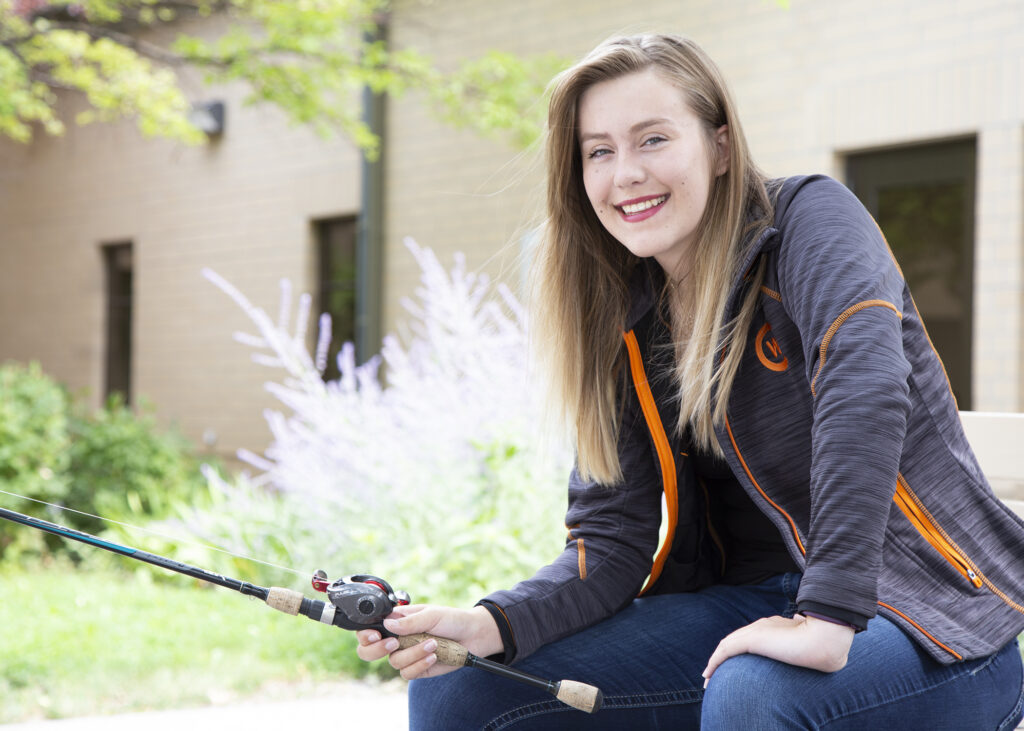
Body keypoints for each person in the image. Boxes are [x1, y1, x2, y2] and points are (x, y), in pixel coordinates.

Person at [356, 33, 1024, 729]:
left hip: (931, 616)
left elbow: (867, 387)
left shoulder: (809, 220)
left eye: (653, 139)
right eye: (600, 151)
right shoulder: (620, 310)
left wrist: (826, 614)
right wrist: (490, 622)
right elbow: (610, 542)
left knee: (753, 691)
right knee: (461, 689)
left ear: (721, 145)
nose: (626, 174)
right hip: (748, 610)